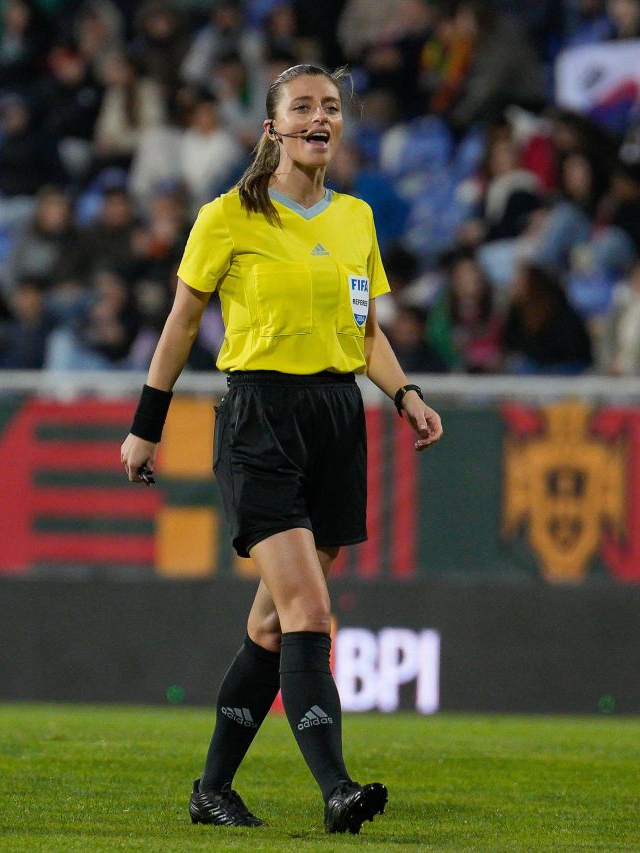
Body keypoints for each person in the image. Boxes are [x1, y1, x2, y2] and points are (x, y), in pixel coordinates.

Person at [118, 64, 442, 834]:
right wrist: (146, 422)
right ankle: (336, 787)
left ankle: (212, 789)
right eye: (303, 106)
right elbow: (181, 322)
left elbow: (364, 333)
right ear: (273, 128)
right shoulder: (226, 217)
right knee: (309, 611)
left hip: (338, 419)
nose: (320, 117)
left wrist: (406, 394)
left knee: (271, 628)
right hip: (260, 418)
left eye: (331, 106)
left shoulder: (355, 219)